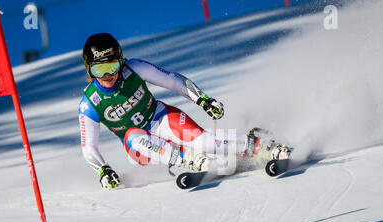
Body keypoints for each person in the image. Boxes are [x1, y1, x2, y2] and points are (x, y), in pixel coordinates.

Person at [79, 33, 290, 190]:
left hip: (161, 118)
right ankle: (187, 160)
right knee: (133, 136)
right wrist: (103, 169)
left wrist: (202, 99)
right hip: (140, 150)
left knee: (204, 142)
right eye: (99, 70)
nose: (108, 75)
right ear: (90, 70)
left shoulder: (133, 68)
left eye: (113, 66)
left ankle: (262, 146)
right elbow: (89, 147)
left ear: (121, 61)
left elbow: (173, 81)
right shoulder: (90, 103)